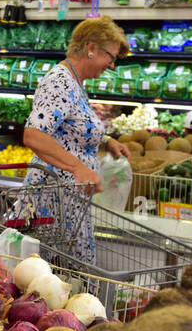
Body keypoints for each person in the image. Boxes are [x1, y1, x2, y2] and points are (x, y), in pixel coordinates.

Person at [17, 16, 131, 264]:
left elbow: (69, 130)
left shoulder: (76, 83)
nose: (111, 65)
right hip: (53, 201)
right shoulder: (59, 80)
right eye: (110, 57)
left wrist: (104, 141)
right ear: (91, 49)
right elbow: (34, 134)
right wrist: (78, 167)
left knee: (67, 277)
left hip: (68, 203)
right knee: (52, 275)